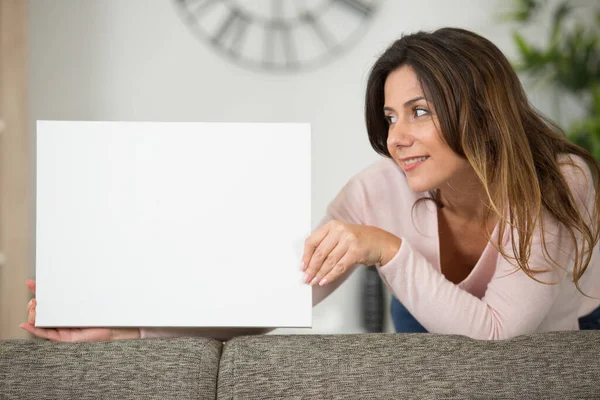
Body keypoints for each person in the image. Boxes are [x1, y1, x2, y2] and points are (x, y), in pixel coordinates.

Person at [21, 27, 600, 342]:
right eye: (391, 116)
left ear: (479, 108)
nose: (397, 136)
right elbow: (280, 295)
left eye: (420, 110)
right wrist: (131, 329)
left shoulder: (557, 179)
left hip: (563, 330)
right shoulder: (376, 190)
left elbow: (501, 332)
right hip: (425, 325)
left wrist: (388, 248)